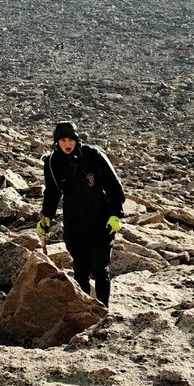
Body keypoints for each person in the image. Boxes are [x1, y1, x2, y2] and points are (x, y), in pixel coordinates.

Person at [36, 120, 125, 308]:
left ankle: (103, 310)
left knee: (100, 269)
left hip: (101, 220)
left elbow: (114, 186)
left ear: (77, 140)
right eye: (62, 140)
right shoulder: (53, 162)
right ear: (57, 142)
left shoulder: (93, 156)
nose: (67, 144)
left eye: (70, 140)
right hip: (74, 221)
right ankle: (85, 311)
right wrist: (46, 218)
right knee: (80, 269)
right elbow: (52, 193)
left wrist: (116, 214)